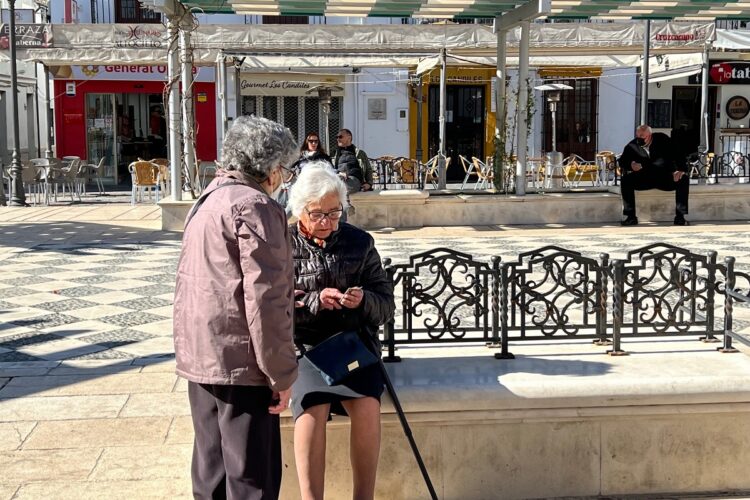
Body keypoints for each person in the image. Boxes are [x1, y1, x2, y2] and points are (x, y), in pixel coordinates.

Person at [173, 115, 299, 500]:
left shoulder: (208, 199)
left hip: (201, 355)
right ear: (273, 170)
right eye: (286, 170)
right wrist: (281, 374)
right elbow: (267, 301)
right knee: (251, 479)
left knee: (211, 472)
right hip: (240, 363)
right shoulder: (255, 206)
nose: (285, 179)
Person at [287, 163, 395, 500]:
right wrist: (315, 301)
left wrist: (363, 301)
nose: (328, 223)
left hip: (353, 345)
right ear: (299, 210)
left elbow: (386, 305)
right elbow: (273, 304)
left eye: (335, 213)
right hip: (305, 346)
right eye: (319, 214)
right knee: (310, 408)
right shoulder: (281, 243)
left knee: (366, 405)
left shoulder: (359, 242)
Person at [618, 124, 690, 226]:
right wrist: (631, 165)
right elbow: (622, 161)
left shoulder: (662, 139)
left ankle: (680, 217)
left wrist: (681, 170)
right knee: (626, 180)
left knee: (683, 179)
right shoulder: (632, 146)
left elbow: (678, 152)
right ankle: (630, 217)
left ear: (650, 135)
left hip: (664, 177)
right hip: (645, 178)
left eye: (642, 136)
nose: (640, 139)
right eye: (638, 136)